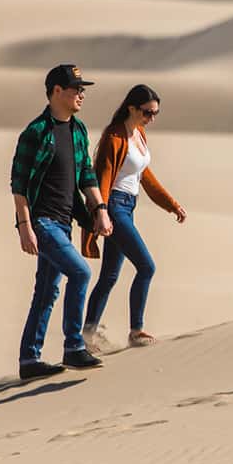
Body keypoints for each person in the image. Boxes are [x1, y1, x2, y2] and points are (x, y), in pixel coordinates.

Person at [10, 64, 114, 380]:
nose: (81, 94)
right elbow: (19, 185)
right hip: (42, 222)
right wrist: (25, 227)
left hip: (64, 222)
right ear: (57, 91)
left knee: (47, 291)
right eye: (75, 89)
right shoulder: (36, 133)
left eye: (82, 89)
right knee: (81, 272)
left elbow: (86, 174)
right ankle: (73, 347)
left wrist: (100, 209)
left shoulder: (77, 130)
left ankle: (29, 360)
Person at [81, 84, 186, 352]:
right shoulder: (114, 137)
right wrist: (100, 211)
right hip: (113, 206)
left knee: (109, 276)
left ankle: (88, 334)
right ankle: (136, 331)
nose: (151, 118)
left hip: (128, 206)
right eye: (147, 113)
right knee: (147, 267)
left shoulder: (138, 134)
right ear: (132, 108)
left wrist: (171, 205)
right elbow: (101, 176)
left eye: (155, 114)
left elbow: (145, 177)